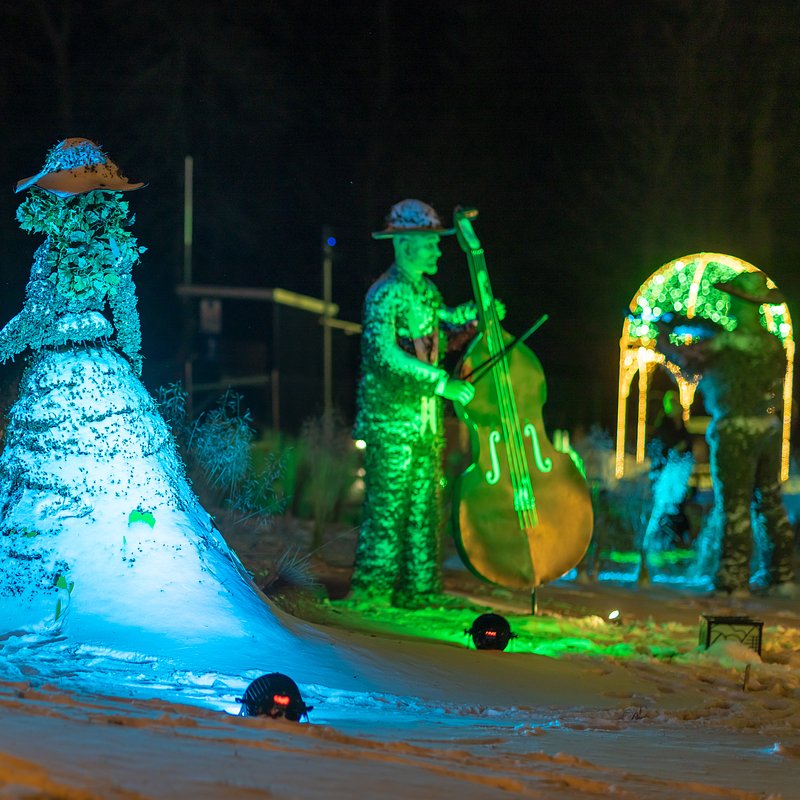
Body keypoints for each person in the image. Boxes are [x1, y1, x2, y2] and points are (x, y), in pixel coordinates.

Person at [350, 199, 487, 608]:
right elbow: (384, 355)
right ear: (406, 245)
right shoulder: (384, 295)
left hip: (424, 427)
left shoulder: (427, 292)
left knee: (425, 511)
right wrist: (440, 382)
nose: (438, 251)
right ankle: (373, 590)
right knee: (388, 508)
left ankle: (420, 589)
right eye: (430, 244)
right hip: (391, 424)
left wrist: (479, 314)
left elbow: (444, 328)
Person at [654, 270, 795, 596]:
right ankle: (782, 576)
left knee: (734, 506)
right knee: (770, 503)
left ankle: (733, 581)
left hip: (733, 431)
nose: (728, 306)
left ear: (745, 305)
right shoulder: (772, 346)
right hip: (768, 431)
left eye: (733, 300)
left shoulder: (724, 347)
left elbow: (687, 361)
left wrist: (664, 337)